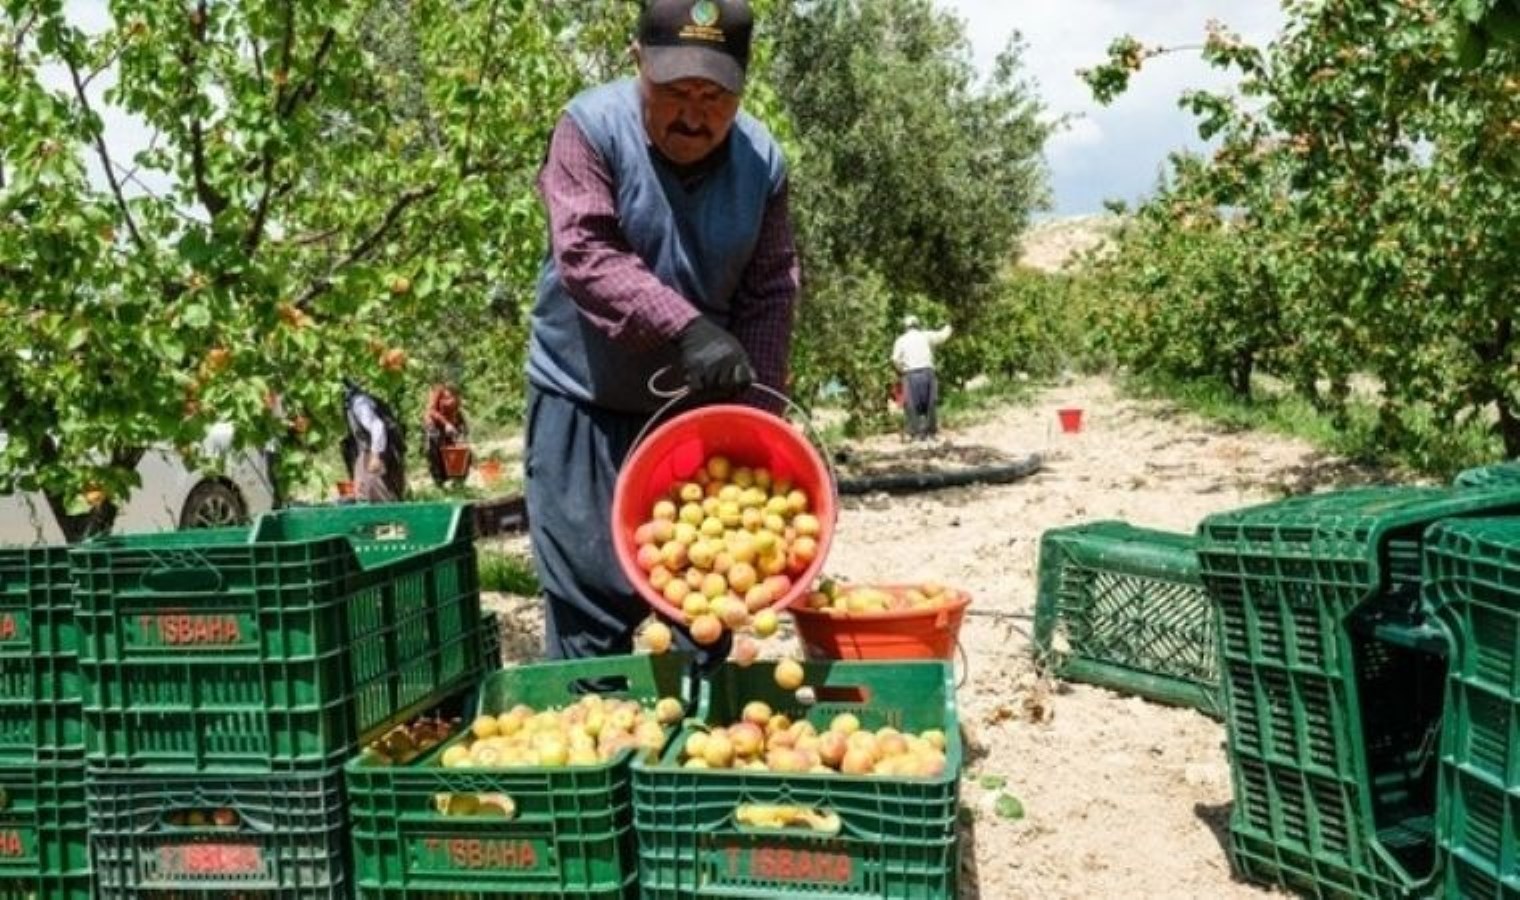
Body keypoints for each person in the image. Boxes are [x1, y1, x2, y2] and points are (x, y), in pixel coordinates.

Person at [524, 0, 800, 666]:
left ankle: (694, 725)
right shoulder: (590, 129)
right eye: (676, 91)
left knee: (700, 602)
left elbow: (771, 290)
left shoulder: (762, 162)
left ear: (742, 86)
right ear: (637, 63)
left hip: (692, 420)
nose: (693, 116)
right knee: (590, 607)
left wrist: (756, 417)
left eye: (715, 97)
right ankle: (592, 723)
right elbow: (586, 251)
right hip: (583, 405)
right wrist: (686, 328)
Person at [341, 378, 407, 502]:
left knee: (379, 495)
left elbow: (377, 426)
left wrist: (375, 456)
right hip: (367, 454)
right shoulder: (352, 402)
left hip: (373, 454)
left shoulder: (359, 402)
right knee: (365, 494)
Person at [891, 315, 953, 441]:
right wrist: (951, 324)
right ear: (918, 325)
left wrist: (901, 369)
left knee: (911, 405)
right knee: (930, 403)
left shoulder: (901, 340)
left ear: (905, 327)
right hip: (927, 372)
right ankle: (930, 433)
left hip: (910, 374)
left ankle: (915, 434)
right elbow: (942, 336)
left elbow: (895, 359)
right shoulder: (926, 335)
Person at [422, 383, 469, 487]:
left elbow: (456, 412)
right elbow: (431, 411)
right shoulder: (438, 390)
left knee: (457, 451)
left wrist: (461, 425)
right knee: (435, 453)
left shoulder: (456, 393)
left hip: (449, 426)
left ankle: (457, 481)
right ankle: (439, 482)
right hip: (434, 425)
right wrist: (446, 423)